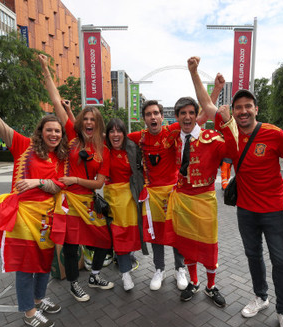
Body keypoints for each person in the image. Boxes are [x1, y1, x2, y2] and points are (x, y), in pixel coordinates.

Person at [188, 56, 283, 327]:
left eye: (248, 106)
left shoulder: (273, 134)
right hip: (245, 209)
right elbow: (207, 105)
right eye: (238, 107)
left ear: (256, 109)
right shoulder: (229, 133)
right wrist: (194, 73)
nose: (243, 110)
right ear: (233, 112)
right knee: (252, 255)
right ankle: (261, 297)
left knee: (281, 261)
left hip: (273, 211)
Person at [0, 75, 67, 327]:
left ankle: (38, 298)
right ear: (41, 131)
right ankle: (29, 311)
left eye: (57, 131)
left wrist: (37, 182)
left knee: (44, 263)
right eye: (50, 130)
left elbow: (57, 186)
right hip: (22, 218)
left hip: (46, 219)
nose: (54, 134)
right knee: (25, 266)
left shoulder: (60, 159)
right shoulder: (23, 145)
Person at [38, 54, 114, 300]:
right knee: (71, 246)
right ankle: (73, 283)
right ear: (81, 122)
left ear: (98, 124)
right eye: (86, 119)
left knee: (103, 240)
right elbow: (55, 101)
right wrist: (46, 71)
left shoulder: (104, 150)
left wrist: (77, 181)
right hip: (68, 203)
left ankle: (94, 275)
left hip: (89, 201)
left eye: (93, 119)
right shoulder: (71, 135)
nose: (89, 122)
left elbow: (100, 183)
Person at [165, 93, 227, 307]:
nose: (188, 117)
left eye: (192, 113)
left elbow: (232, 146)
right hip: (182, 199)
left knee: (209, 245)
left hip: (204, 199)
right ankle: (194, 281)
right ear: (177, 117)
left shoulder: (212, 138)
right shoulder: (174, 137)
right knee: (187, 244)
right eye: (183, 113)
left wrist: (216, 94)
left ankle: (211, 286)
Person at [128, 101, 188, 291]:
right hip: (152, 194)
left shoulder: (173, 131)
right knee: (155, 234)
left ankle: (180, 268)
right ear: (144, 118)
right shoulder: (139, 137)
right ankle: (159, 269)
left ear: (162, 116)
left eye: (155, 113)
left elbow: (199, 116)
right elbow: (115, 135)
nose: (152, 117)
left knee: (177, 232)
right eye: (148, 114)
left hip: (173, 192)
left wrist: (216, 91)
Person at [104, 118, 145, 291]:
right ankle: (125, 273)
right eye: (111, 131)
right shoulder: (103, 150)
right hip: (114, 199)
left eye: (118, 130)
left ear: (124, 133)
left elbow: (148, 135)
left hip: (131, 198)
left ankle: (129, 258)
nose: (115, 134)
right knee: (119, 235)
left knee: (133, 233)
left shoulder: (132, 147)